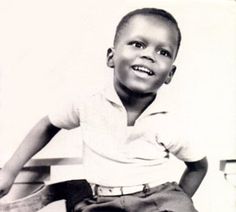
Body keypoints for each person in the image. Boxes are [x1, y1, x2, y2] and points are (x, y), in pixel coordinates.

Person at [0, 8, 208, 212]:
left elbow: (198, 166)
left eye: (163, 52)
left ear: (170, 74)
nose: (148, 56)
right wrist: (9, 171)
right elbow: (48, 124)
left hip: (156, 198)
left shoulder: (170, 121)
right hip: (102, 202)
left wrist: (175, 201)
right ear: (111, 57)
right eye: (137, 44)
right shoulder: (88, 103)